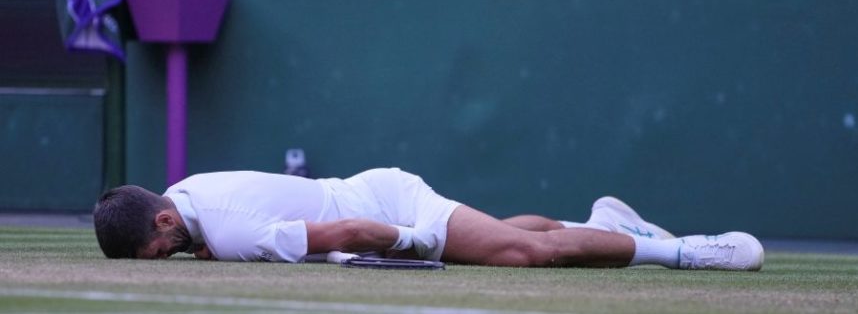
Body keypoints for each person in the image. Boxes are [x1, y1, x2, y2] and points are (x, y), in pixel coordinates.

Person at [93, 167, 764, 270]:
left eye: (163, 252)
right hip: (369, 190)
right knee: (509, 233)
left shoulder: (229, 231)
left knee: (524, 255)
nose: (173, 258)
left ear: (162, 223)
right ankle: (604, 220)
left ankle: (688, 251)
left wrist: (419, 243)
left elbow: (351, 235)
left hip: (386, 209)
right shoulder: (185, 193)